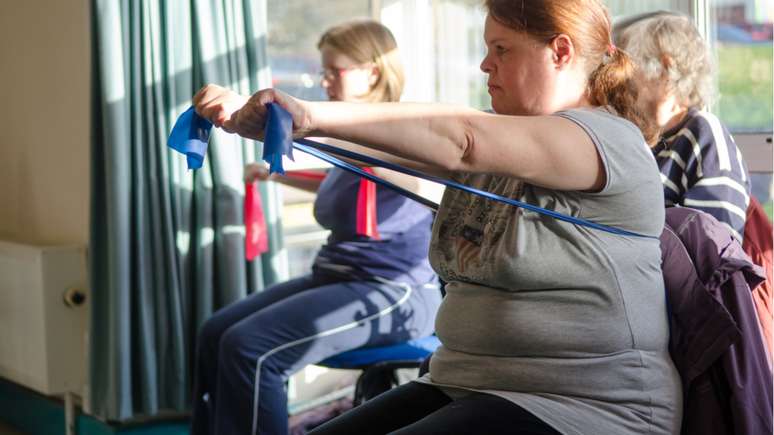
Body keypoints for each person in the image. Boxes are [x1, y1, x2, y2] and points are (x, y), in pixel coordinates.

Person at [195, 1, 683, 433]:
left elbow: (462, 139)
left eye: (502, 49)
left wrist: (307, 114)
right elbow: (381, 148)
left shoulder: (607, 141)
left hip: (583, 407)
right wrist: (279, 126)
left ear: (559, 52)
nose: (485, 63)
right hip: (466, 381)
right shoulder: (511, 141)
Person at [190, 19, 442, 435]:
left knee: (250, 348)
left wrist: (273, 119)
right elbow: (343, 182)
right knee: (214, 332)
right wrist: (273, 176)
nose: (324, 81)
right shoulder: (353, 140)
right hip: (337, 275)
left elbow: (380, 164)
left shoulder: (400, 131)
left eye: (334, 71)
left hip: (394, 289)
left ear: (372, 72)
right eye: (322, 71)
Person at [614, 11, 751, 241]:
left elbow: (714, 247)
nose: (620, 80)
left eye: (629, 68)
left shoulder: (705, 135)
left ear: (665, 69)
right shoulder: (637, 136)